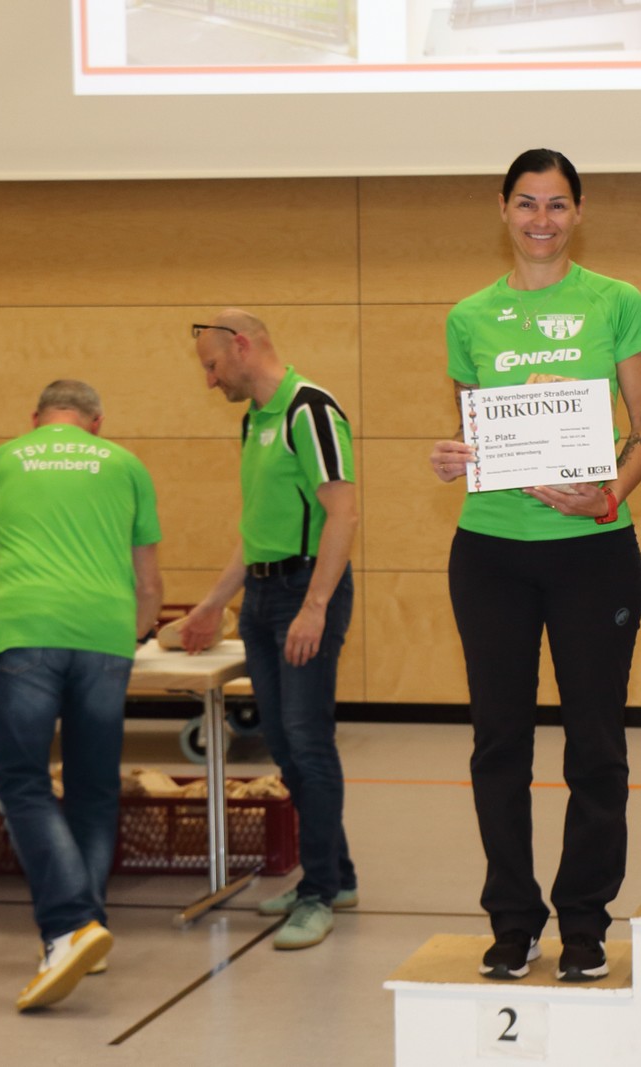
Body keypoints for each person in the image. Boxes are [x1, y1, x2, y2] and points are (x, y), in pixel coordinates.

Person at [430, 148, 641, 983]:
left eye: (557, 203)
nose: (541, 219)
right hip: (490, 552)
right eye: (527, 203)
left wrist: (608, 496)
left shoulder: (616, 301)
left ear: (578, 212)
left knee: (596, 743)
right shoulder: (468, 316)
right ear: (503, 209)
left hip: (595, 555)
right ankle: (512, 917)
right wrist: (457, 456)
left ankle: (586, 919)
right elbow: (481, 434)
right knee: (500, 742)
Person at [0, 379, 163, 1011]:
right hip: (105, 634)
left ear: (36, 419)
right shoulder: (126, 464)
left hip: (26, 629)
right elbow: (149, 582)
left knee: (22, 780)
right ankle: (90, 928)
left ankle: (68, 925)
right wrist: (133, 633)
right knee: (93, 786)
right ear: (96, 422)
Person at [178, 310, 359, 951]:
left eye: (212, 365)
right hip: (259, 597)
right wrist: (212, 604)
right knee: (283, 744)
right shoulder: (253, 420)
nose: (209, 380)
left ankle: (318, 892)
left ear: (242, 346)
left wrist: (315, 606)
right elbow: (255, 529)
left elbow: (343, 513)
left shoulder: (310, 410)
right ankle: (337, 876)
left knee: (309, 743)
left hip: (303, 592)